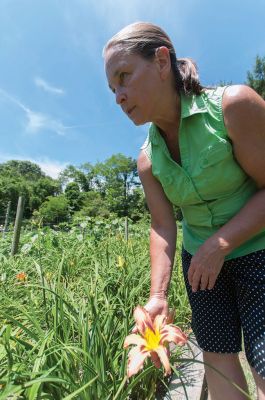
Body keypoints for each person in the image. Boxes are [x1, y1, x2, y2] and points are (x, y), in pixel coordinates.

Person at [103, 21, 265, 399]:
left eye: (124, 77)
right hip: (201, 268)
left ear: (162, 61)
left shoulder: (234, 105)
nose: (118, 96)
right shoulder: (147, 161)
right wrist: (157, 295)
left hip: (258, 252)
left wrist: (220, 244)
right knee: (219, 361)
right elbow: (162, 226)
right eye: (113, 89)